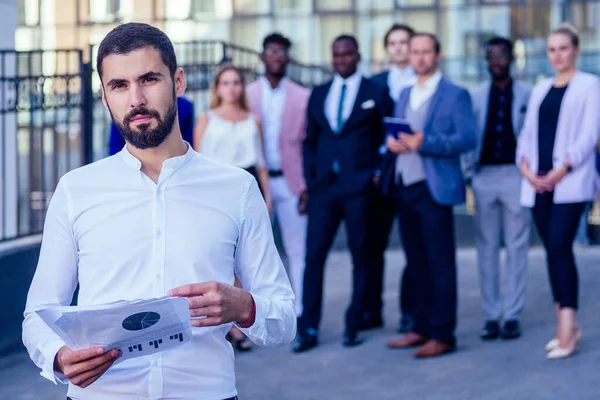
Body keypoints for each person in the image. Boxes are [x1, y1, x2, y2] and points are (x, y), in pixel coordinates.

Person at [22, 23, 295, 399]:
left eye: (148, 79)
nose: (135, 99)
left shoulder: (237, 188)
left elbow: (283, 318)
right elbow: (39, 312)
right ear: (104, 96)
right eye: (119, 85)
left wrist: (245, 307)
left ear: (178, 82)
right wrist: (57, 356)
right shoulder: (75, 190)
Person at [293, 35, 394, 353]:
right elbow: (310, 139)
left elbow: (387, 138)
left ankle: (354, 323)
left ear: (358, 55)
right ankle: (308, 327)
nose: (341, 60)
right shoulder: (319, 93)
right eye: (336, 55)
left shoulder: (376, 93)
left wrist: (376, 175)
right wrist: (310, 178)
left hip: (359, 188)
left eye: (347, 54)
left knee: (361, 256)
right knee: (314, 258)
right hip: (324, 188)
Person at [384, 33, 476, 358]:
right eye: (415, 52)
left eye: (426, 52)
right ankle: (419, 328)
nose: (420, 57)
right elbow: (398, 132)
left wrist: (428, 142)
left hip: (434, 187)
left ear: (438, 54)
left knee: (440, 263)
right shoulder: (406, 92)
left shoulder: (455, 94)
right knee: (416, 262)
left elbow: (467, 138)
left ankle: (442, 334)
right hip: (405, 184)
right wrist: (392, 144)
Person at [516, 23, 600, 360]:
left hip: (568, 182)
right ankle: (564, 325)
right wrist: (525, 169)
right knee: (552, 250)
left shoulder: (590, 85)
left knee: (560, 246)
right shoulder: (539, 89)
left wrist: (560, 170)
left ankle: (568, 329)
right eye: (551, 50)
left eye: (563, 48)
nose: (557, 55)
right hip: (536, 183)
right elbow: (526, 134)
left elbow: (588, 135)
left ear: (576, 50)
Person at [193, 64, 274, 352]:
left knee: (244, 258)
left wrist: (267, 196)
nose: (231, 87)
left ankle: (240, 323)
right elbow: (197, 163)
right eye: (225, 82)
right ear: (217, 88)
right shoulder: (206, 119)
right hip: (214, 189)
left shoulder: (254, 119)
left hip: (246, 187)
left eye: (236, 82)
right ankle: (221, 324)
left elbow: (261, 161)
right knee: (218, 256)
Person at [465, 37, 532, 341]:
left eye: (501, 55)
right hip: (484, 176)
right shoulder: (475, 95)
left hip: (515, 177)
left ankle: (512, 315)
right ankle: (492, 315)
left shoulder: (529, 94)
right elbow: (468, 137)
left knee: (517, 248)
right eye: (490, 56)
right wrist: (469, 176)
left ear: (511, 58)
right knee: (486, 249)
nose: (496, 61)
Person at [246, 33, 310, 318]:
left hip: (292, 182)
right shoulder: (246, 95)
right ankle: (256, 312)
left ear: (288, 57)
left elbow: (309, 143)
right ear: (262, 57)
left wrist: (306, 185)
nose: (276, 57)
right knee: (254, 253)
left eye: (282, 52)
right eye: (271, 52)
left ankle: (300, 313)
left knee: (298, 251)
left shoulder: (302, 95)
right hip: (256, 184)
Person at [364, 23, 417, 334]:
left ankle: (410, 313)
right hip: (380, 174)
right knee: (373, 245)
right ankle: (372, 310)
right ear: (387, 48)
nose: (399, 48)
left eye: (404, 42)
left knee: (413, 247)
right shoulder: (375, 83)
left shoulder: (422, 82)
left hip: (412, 169)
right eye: (394, 43)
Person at [108, 96, 195, 155]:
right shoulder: (185, 105)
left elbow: (187, 140)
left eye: (149, 80)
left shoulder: (185, 106)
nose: (137, 101)